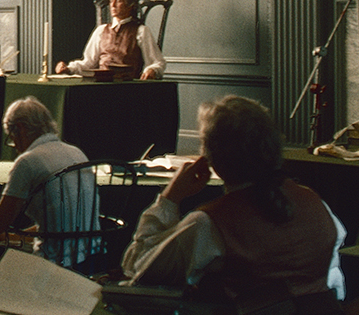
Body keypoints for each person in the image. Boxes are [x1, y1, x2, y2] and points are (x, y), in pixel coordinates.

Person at [120, 96, 345, 302]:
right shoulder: (314, 201)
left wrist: (171, 197)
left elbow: (137, 268)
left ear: (211, 158)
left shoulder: (210, 223)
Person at [0, 97, 97, 268]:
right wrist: (14, 235)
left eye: (12, 138)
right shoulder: (76, 152)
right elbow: (63, 221)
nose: (15, 146)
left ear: (20, 128)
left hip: (54, 263)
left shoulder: (28, 162)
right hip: (91, 256)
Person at [55, 0, 164, 80]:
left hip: (128, 87)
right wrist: (68, 68)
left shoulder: (141, 31)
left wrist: (152, 70)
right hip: (100, 85)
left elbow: (157, 62)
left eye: (118, 1)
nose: (112, 5)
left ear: (130, 6)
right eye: (111, 1)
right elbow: (88, 62)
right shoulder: (101, 30)